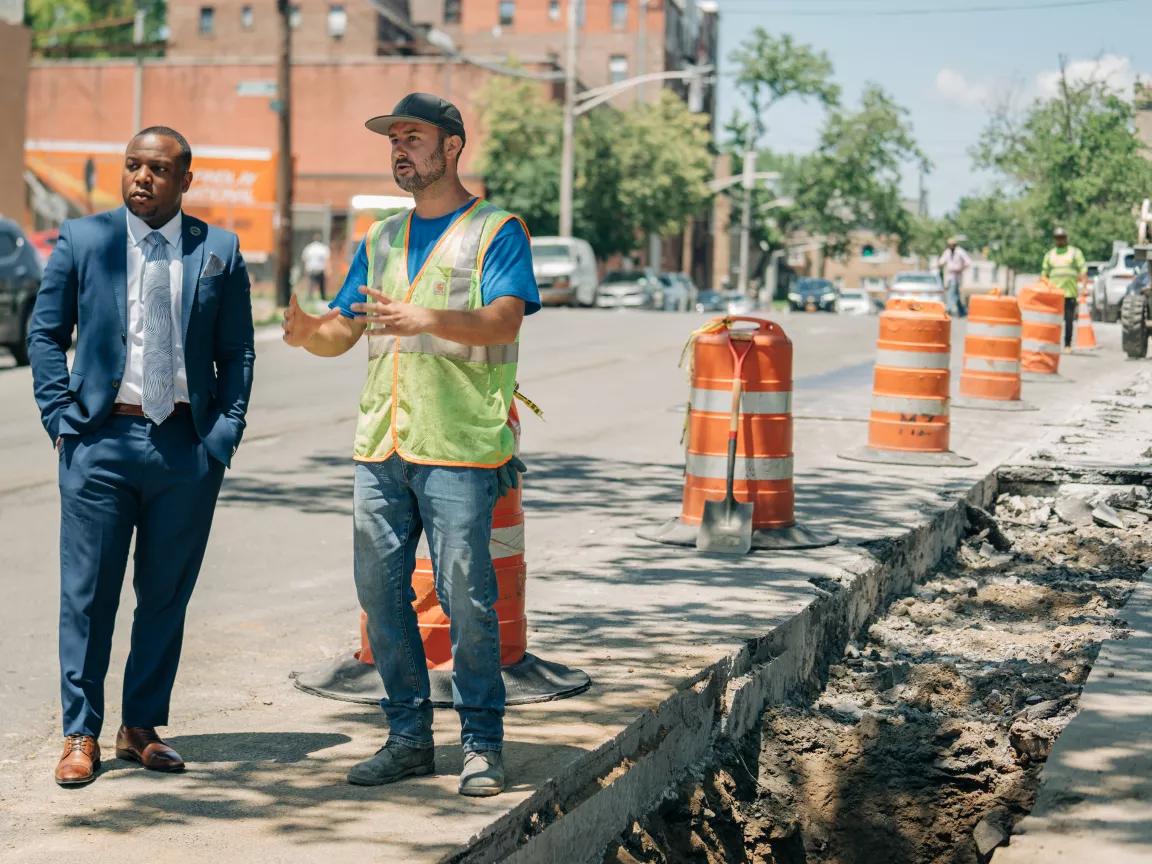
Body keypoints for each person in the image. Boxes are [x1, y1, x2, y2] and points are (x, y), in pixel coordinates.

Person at [281, 93, 540, 797]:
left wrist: (426, 314)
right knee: (381, 596)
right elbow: (347, 329)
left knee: (468, 599)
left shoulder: (497, 231)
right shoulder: (380, 238)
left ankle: (483, 742)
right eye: (394, 139)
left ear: (452, 145)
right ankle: (407, 738)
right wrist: (311, 333)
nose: (400, 149)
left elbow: (502, 324)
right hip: (382, 446)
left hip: (458, 445)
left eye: (414, 137)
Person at [28, 127, 255, 787]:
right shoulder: (84, 239)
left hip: (185, 446)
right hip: (99, 442)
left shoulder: (219, 249)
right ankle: (80, 733)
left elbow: (237, 350)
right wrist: (59, 420)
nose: (141, 178)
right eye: (133, 166)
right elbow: (46, 334)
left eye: (158, 169)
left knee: (164, 597)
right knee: (87, 595)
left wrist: (225, 432)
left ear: (185, 179)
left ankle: (141, 728)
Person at [1040, 227, 1088, 351]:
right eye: (1057, 238)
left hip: (1069, 293)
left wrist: (1084, 287)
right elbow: (1044, 274)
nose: (1060, 240)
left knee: (1068, 321)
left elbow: (1083, 270)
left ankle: (1067, 344)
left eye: (1062, 238)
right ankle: (1051, 343)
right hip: (1053, 294)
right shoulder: (1050, 254)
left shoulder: (1074, 252)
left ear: (1066, 238)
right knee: (1052, 320)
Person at [937, 236, 971, 318]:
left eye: (953, 245)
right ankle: (962, 311)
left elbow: (968, 262)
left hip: (957, 276)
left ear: (955, 245)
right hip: (949, 276)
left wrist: (961, 269)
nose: (951, 246)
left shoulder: (960, 252)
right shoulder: (947, 252)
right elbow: (942, 261)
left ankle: (948, 309)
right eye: (950, 245)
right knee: (956, 295)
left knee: (951, 293)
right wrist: (938, 264)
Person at [300, 232, 331, 300]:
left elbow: (304, 259)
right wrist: (328, 270)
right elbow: (327, 260)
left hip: (311, 269)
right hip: (320, 269)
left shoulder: (309, 248)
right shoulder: (323, 248)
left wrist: (305, 269)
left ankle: (309, 298)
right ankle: (323, 298)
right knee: (321, 286)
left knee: (310, 285)